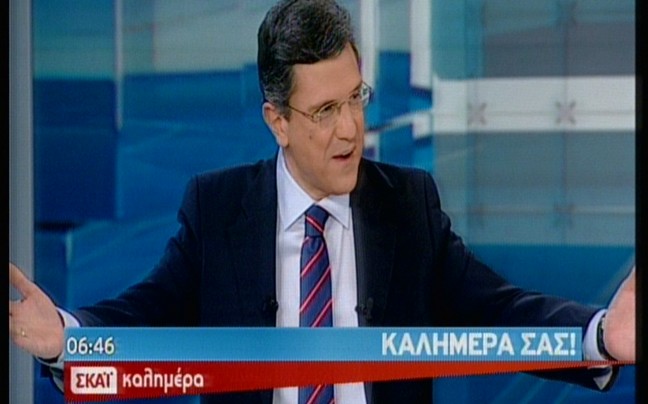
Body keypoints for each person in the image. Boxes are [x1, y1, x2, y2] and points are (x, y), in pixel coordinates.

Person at [9, 0, 636, 403]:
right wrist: (66, 338)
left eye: (356, 98)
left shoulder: (406, 205)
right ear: (277, 121)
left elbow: (499, 311)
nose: (350, 130)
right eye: (326, 110)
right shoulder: (218, 209)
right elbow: (142, 316)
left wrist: (600, 335)